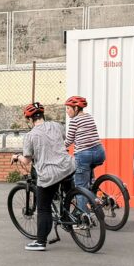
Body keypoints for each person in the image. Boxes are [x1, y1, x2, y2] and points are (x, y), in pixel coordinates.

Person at [11, 102, 76, 252]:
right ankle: (68, 217)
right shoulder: (56, 125)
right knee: (66, 193)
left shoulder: (30, 135)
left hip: (49, 174)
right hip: (68, 166)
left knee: (43, 208)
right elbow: (65, 140)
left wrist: (16, 156)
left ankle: (40, 242)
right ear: (42, 115)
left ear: (30, 119)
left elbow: (27, 160)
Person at [64, 95, 105, 210]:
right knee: (89, 179)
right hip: (99, 153)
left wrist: (57, 148)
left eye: (68, 108)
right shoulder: (89, 117)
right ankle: (98, 199)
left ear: (76, 108)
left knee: (80, 187)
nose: (67, 111)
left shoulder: (74, 121)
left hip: (84, 155)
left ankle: (83, 217)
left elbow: (68, 141)